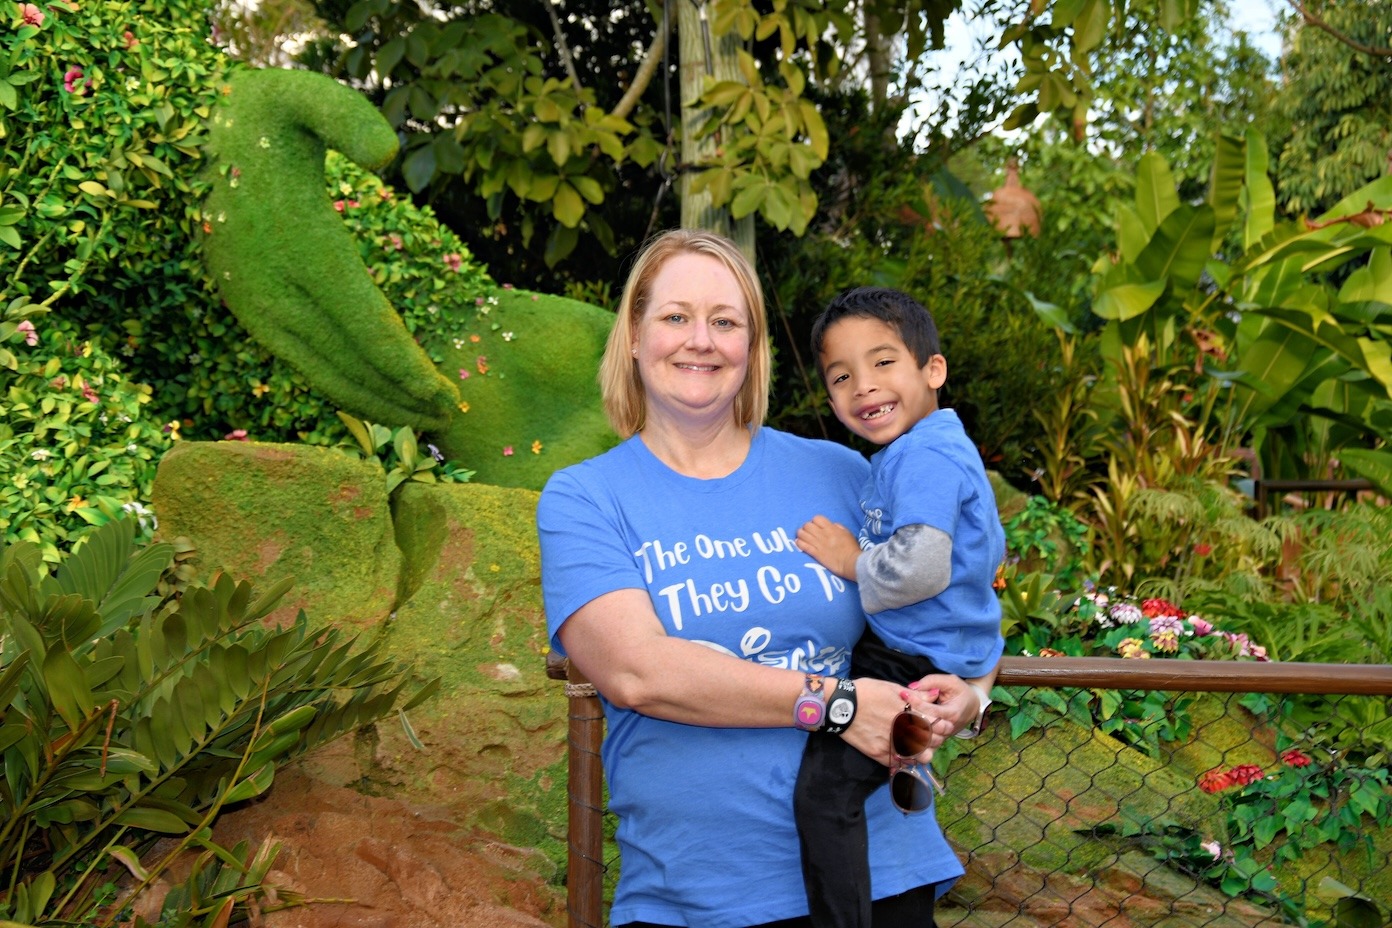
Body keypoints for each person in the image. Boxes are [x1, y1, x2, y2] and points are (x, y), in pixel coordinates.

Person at [537, 230, 996, 928]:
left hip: (880, 876)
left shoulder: (843, 474)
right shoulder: (586, 499)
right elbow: (637, 673)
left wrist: (968, 697)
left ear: (752, 349)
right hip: (700, 894)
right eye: (675, 316)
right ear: (632, 334)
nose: (702, 340)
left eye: (726, 322)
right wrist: (836, 704)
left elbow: (955, 598)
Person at [793, 286, 1006, 928]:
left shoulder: (928, 454)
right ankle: (906, 758)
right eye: (841, 375)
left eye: (883, 362)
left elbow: (922, 564)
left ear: (931, 370)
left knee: (824, 796)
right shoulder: (920, 450)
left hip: (907, 658)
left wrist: (849, 560)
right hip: (935, 650)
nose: (863, 385)